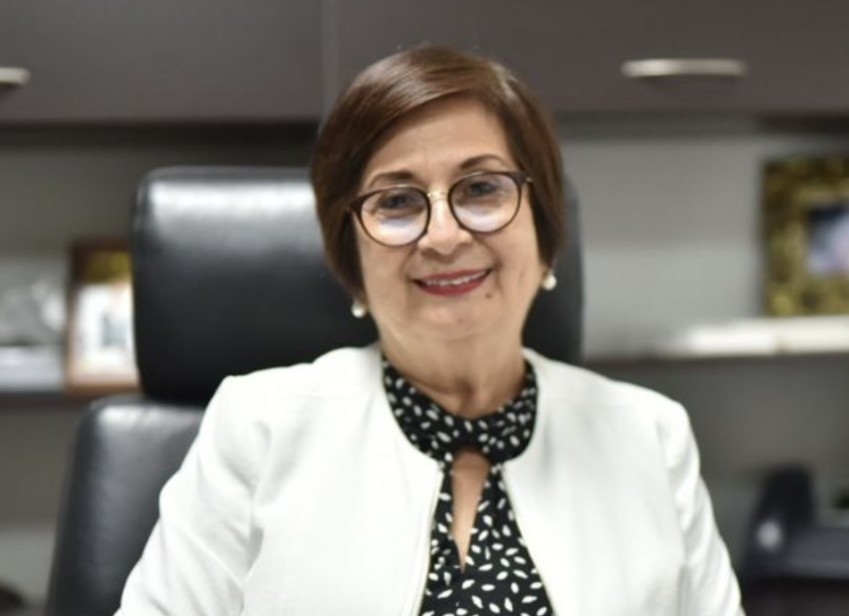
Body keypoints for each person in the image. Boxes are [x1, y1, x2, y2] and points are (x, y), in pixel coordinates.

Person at [116, 46, 744, 615]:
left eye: (481, 188)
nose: (444, 236)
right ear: (351, 260)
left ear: (546, 232)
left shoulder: (649, 434)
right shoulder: (259, 426)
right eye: (396, 201)